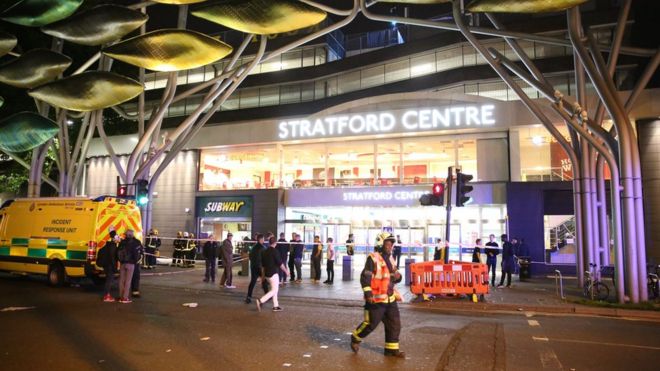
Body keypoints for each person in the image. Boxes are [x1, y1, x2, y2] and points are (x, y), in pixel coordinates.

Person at [350, 233, 405, 358]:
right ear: (380, 243)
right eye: (388, 243)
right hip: (376, 299)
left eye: (391, 244)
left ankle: (391, 350)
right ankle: (355, 338)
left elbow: (394, 277)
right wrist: (368, 293)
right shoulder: (373, 258)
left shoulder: (391, 258)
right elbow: (365, 277)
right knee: (371, 324)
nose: (390, 246)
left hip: (390, 298)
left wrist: (398, 277)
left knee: (394, 323)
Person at [255, 236, 289, 312]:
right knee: (274, 290)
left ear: (269, 243)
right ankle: (260, 301)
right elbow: (280, 264)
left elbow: (263, 266)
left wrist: (263, 276)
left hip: (267, 274)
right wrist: (286, 271)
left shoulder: (265, 251)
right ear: (275, 243)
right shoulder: (275, 251)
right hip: (273, 273)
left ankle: (275, 306)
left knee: (274, 289)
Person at [118, 229, 141, 304]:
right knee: (128, 281)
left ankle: (121, 297)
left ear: (125, 235)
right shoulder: (135, 243)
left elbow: (118, 252)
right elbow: (136, 254)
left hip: (122, 264)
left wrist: (120, 261)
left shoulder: (122, 242)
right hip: (130, 264)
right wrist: (135, 261)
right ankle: (125, 298)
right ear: (132, 235)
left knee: (121, 280)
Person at [245, 234, 269, 304]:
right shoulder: (263, 248)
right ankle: (267, 295)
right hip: (260, 267)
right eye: (263, 239)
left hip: (253, 266)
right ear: (261, 240)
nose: (264, 240)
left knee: (252, 282)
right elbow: (265, 258)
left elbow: (250, 256)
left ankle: (248, 297)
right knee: (264, 281)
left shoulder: (253, 247)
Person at [101, 231, 120, 302]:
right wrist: (115, 268)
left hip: (107, 265)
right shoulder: (113, 246)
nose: (119, 238)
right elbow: (112, 258)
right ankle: (106, 296)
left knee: (108, 280)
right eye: (117, 237)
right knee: (109, 280)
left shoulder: (109, 245)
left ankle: (107, 295)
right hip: (110, 266)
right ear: (114, 238)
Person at [129, 230, 144, 298]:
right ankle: (135, 291)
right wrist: (138, 260)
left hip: (125, 263)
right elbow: (141, 252)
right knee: (135, 277)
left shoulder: (123, 242)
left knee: (124, 278)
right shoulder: (137, 242)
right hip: (135, 263)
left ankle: (124, 293)